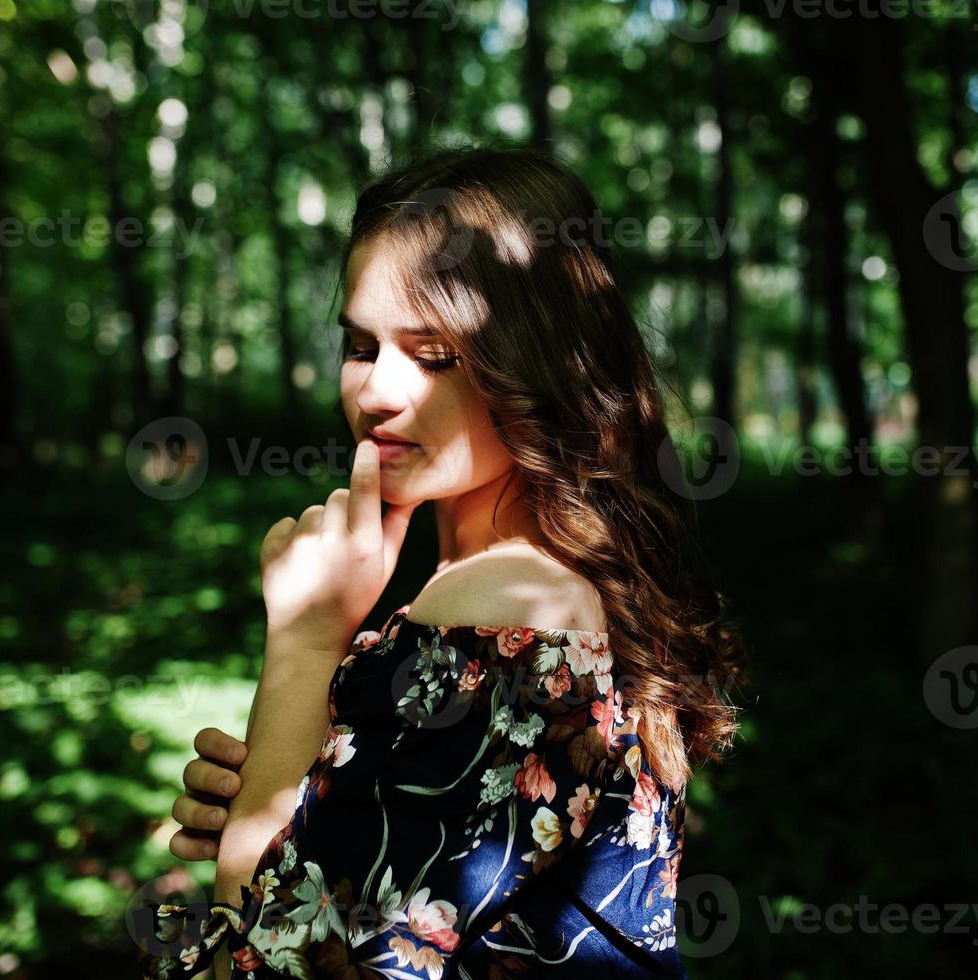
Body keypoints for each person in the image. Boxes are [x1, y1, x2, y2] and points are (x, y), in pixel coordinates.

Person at [139, 145, 748, 979]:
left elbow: (263, 962)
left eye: (434, 356)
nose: (377, 392)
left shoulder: (503, 609)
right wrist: (276, 806)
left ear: (534, 365)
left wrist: (304, 644)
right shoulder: (557, 582)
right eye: (360, 346)